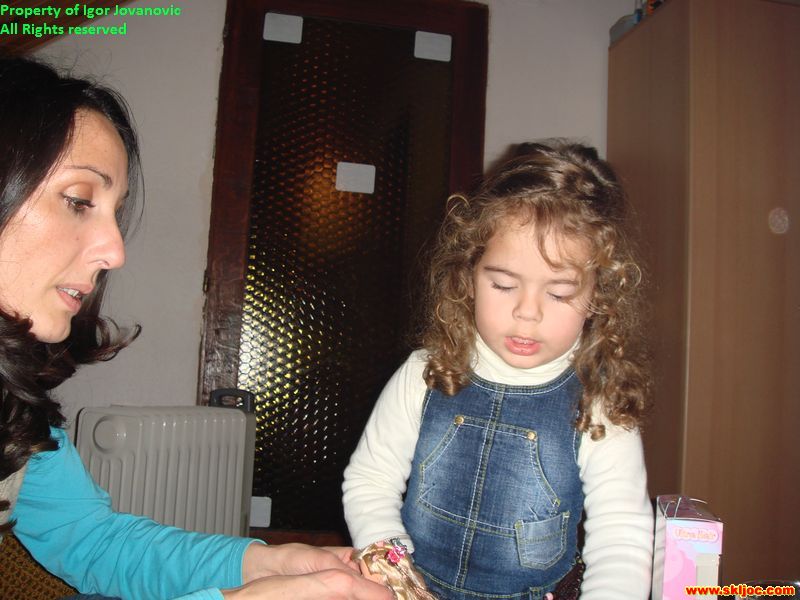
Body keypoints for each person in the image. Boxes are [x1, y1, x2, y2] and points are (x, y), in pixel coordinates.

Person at [0, 55, 393, 600]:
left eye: (115, 212)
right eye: (79, 200)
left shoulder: (15, 408)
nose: (115, 251)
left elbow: (91, 540)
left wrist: (267, 564)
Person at [342, 142, 655, 599]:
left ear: (598, 296)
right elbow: (370, 480)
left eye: (560, 293)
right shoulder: (425, 373)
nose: (527, 312)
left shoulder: (599, 403)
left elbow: (622, 535)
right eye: (504, 285)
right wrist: (394, 576)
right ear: (469, 276)